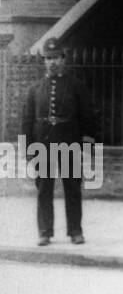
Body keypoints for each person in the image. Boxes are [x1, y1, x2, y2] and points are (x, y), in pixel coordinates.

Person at [21, 37, 96, 246]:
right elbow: (26, 121)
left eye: (55, 58)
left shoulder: (76, 86)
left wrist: (87, 146)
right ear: (44, 61)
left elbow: (87, 117)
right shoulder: (34, 89)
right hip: (42, 146)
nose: (52, 62)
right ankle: (44, 232)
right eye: (48, 58)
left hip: (70, 144)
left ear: (63, 59)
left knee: (72, 189)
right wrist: (28, 149)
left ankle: (75, 231)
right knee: (44, 190)